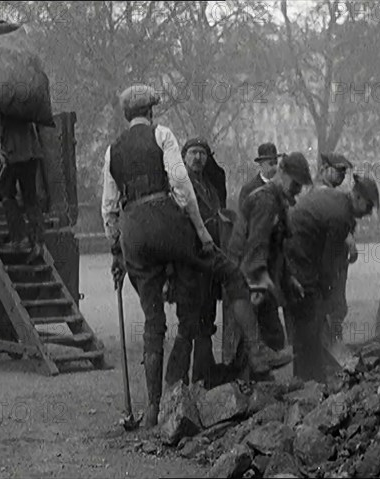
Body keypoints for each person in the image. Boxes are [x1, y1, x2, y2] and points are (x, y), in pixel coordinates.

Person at [101, 85, 293, 427]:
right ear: (151, 112)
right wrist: (203, 235)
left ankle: (152, 412)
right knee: (231, 274)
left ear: (127, 116)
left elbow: (108, 208)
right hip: (167, 225)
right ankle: (259, 354)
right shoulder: (162, 135)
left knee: (153, 323)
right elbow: (180, 183)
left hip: (133, 234)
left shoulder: (112, 150)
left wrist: (117, 253)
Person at [284, 174, 380, 381]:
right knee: (310, 317)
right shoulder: (342, 217)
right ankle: (309, 378)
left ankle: (306, 374)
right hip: (299, 258)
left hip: (297, 255)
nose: (367, 213)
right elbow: (328, 262)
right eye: (368, 206)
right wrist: (327, 292)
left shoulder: (337, 200)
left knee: (308, 319)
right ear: (357, 197)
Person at [227, 152, 312, 379]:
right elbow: (256, 244)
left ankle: (263, 392)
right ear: (281, 173)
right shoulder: (265, 200)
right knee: (253, 342)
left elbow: (278, 248)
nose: (298, 189)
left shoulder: (278, 202)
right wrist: (259, 279)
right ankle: (248, 395)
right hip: (244, 276)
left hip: (259, 275)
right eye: (295, 183)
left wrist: (288, 278)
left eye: (301, 186)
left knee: (273, 337)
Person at [0, 20, 46, 263]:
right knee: (31, 196)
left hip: (10, 150)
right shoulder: (23, 77)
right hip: (32, 149)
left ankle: (19, 238)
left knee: (6, 194)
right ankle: (38, 242)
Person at [165, 137, 235, 389]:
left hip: (209, 266)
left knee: (206, 324)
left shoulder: (210, 187)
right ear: (183, 157)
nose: (198, 158)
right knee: (188, 325)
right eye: (193, 153)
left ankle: (202, 381)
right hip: (188, 265)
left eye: (203, 154)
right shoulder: (178, 186)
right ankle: (175, 383)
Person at [316, 153, 358, 344]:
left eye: (344, 172)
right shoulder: (322, 194)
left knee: (337, 306)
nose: (341, 175)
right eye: (338, 170)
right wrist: (350, 242)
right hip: (325, 260)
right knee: (330, 306)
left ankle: (332, 345)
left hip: (337, 261)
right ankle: (327, 349)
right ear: (325, 168)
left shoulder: (335, 195)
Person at [238, 142, 281, 210]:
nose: (274, 167)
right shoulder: (248, 189)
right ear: (261, 163)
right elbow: (243, 217)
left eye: (276, 162)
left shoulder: (281, 188)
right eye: (271, 163)